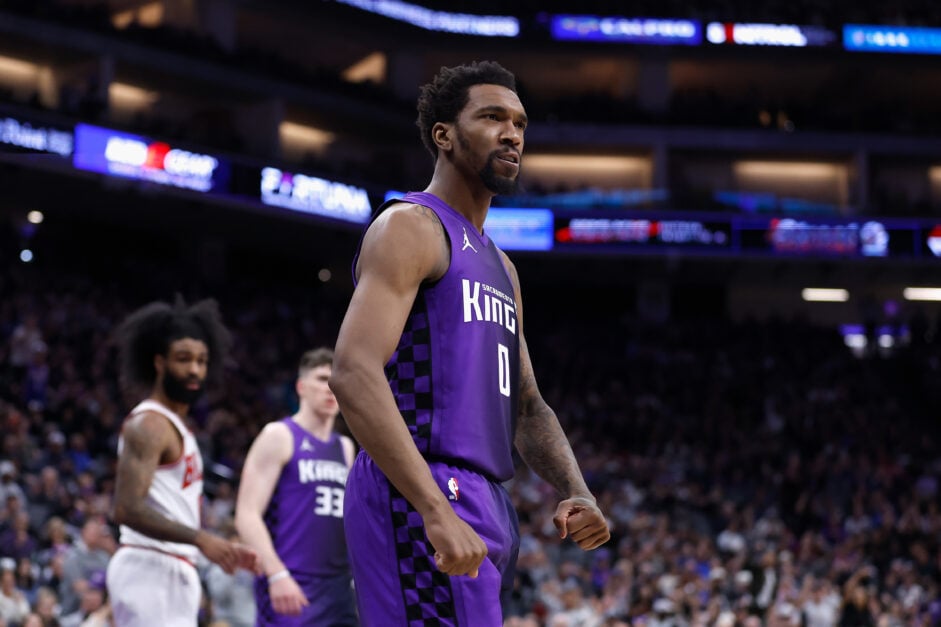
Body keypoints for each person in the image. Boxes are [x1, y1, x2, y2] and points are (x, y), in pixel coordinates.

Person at [330, 60, 611, 625]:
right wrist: (431, 506)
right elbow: (353, 371)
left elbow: (528, 406)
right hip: (421, 483)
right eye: (492, 118)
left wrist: (578, 491)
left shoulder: (501, 266)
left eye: (521, 124)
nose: (513, 134)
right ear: (445, 135)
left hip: (484, 495)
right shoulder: (412, 226)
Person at [106, 297, 259, 626]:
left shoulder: (179, 428)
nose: (194, 370)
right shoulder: (149, 423)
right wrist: (202, 538)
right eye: (184, 359)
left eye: (202, 361)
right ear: (159, 362)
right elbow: (126, 509)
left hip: (173, 566)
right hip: (149, 567)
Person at [235, 347, 357, 626]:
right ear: (301, 387)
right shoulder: (279, 435)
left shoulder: (345, 447)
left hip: (339, 587)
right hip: (292, 582)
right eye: (322, 379)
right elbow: (246, 514)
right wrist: (276, 574)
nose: (331, 388)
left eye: (336, 380)